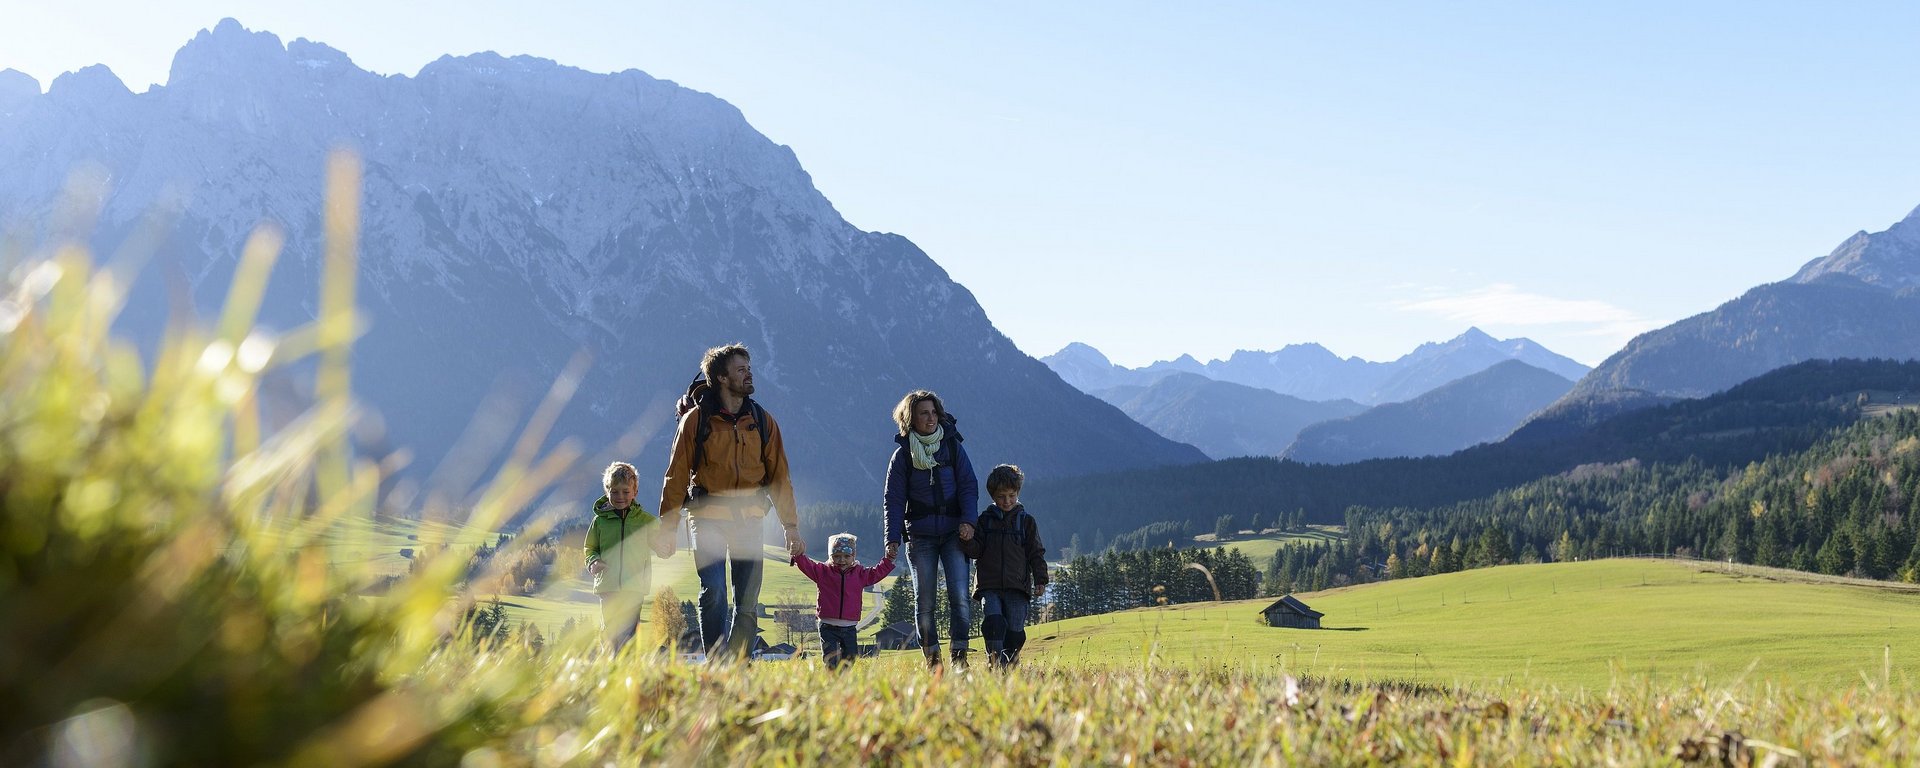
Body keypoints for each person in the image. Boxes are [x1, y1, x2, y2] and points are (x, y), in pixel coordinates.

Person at [658, 343, 802, 660]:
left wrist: (790, 528)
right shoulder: (695, 421)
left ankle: (738, 663)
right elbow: (676, 475)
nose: (749, 374)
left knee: (747, 601)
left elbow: (780, 477)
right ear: (722, 378)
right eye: (741, 369)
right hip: (706, 518)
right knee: (714, 592)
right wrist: (669, 527)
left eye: (749, 368)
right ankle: (716, 660)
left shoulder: (762, 422)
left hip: (749, 522)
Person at [883, 389, 979, 668]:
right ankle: (933, 661)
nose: (931, 418)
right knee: (924, 601)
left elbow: (968, 486)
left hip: (954, 533)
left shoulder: (952, 447)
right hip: (920, 536)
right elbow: (893, 499)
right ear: (910, 418)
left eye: (934, 412)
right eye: (924, 413)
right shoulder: (902, 456)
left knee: (959, 596)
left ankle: (959, 660)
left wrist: (969, 522)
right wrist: (892, 537)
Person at [961, 464, 1047, 669]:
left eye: (1011, 495)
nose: (1007, 501)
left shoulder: (1026, 522)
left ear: (1017, 493)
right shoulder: (985, 521)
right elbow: (976, 551)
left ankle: (1010, 664)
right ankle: (995, 663)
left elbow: (1036, 552)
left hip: (1017, 587)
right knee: (994, 623)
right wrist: (966, 539)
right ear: (993, 496)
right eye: (1001, 496)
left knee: (1015, 630)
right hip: (988, 586)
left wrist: (1041, 579)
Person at [584, 461, 672, 651]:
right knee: (610, 629)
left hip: (634, 586)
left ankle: (627, 669)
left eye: (625, 491)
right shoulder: (600, 522)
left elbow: (660, 546)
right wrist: (593, 562)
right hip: (608, 586)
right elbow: (590, 547)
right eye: (614, 492)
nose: (620, 496)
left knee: (630, 631)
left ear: (635, 492)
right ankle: (611, 665)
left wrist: (664, 548)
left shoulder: (646, 522)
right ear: (607, 492)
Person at [790, 533, 895, 669]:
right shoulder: (823, 572)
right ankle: (832, 681)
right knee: (831, 660)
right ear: (830, 556)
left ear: (854, 556)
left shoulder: (860, 574)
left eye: (846, 556)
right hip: (827, 626)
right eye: (837, 556)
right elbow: (807, 566)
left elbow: (876, 573)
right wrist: (798, 555)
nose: (842, 560)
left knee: (850, 658)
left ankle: (844, 681)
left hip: (849, 627)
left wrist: (888, 560)